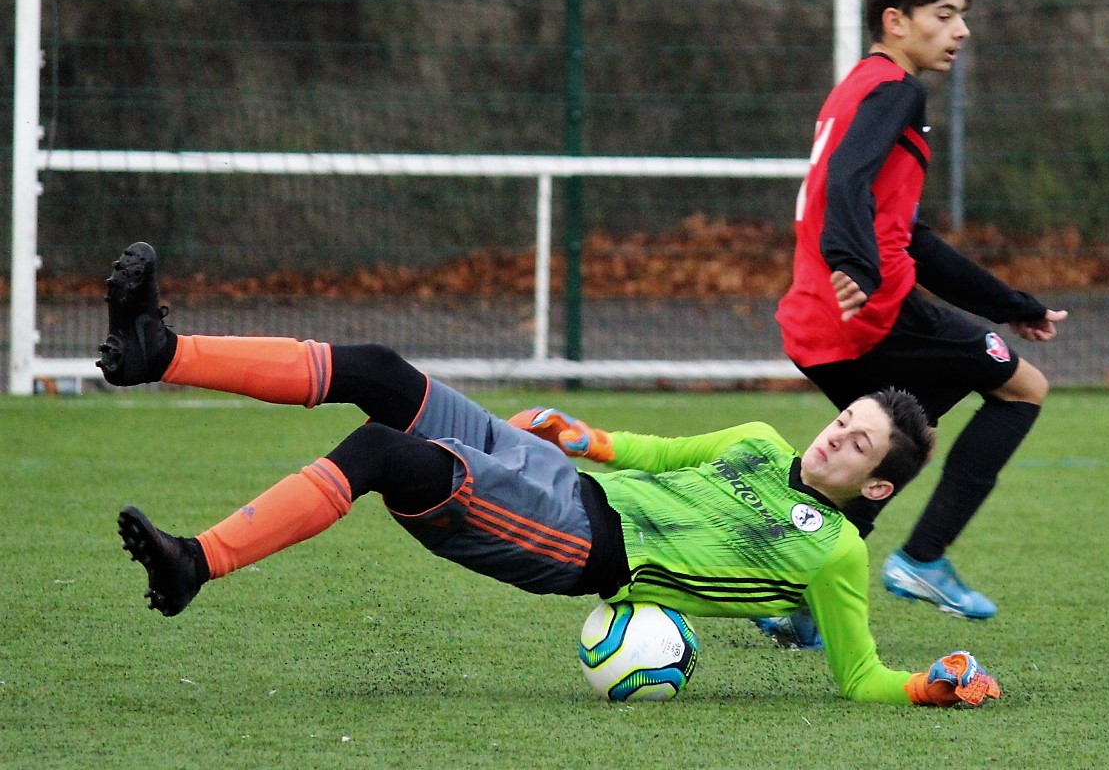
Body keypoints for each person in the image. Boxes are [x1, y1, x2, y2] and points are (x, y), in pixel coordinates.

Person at [101, 242, 999, 708]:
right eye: (847, 420)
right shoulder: (763, 440)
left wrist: (929, 685)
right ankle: (157, 350)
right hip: (556, 473)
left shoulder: (833, 550)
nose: (839, 436)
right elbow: (658, 453)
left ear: (876, 486)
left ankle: (196, 564)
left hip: (577, 540)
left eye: (861, 445)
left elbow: (863, 676)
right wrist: (585, 433)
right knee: (378, 366)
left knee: (381, 449)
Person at [774, 0, 1068, 623]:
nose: (960, 29)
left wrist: (1009, 304)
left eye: (961, 13)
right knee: (1023, 389)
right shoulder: (894, 90)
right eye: (943, 12)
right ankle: (923, 560)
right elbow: (845, 182)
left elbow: (910, 234)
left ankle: (804, 601)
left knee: (900, 442)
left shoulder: (857, 87)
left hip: (819, 324)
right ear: (895, 20)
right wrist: (854, 260)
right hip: (875, 312)